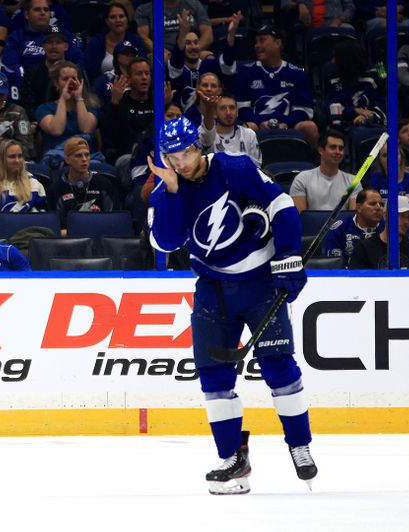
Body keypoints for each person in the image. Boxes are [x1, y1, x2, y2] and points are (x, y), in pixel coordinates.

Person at [148, 116, 316, 495]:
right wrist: (173, 192)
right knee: (214, 377)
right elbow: (166, 243)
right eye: (173, 157)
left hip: (259, 284)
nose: (181, 162)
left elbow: (283, 205)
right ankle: (232, 459)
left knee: (279, 368)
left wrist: (289, 255)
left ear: (200, 147)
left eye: (187, 152)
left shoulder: (234, 166)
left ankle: (299, 445)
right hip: (212, 290)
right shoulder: (164, 193)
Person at [233, 25, 318, 148]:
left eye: (262, 40)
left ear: (277, 43)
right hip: (257, 125)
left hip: (289, 125)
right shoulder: (245, 72)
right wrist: (260, 122)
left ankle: (313, 164)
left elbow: (304, 110)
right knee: (247, 128)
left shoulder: (297, 73)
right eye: (256, 42)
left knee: (310, 127)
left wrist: (286, 123)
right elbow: (242, 109)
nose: (257, 45)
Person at [168, 11, 238, 126]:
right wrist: (182, 33)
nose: (193, 47)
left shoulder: (209, 64)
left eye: (196, 42)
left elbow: (227, 63)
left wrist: (231, 35)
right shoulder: (176, 67)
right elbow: (176, 62)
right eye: (188, 43)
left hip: (212, 119)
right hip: (182, 122)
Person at [48, 137, 120, 232]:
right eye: (78, 156)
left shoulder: (104, 184)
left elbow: (114, 221)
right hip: (68, 242)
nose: (84, 159)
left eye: (87, 155)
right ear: (67, 159)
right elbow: (55, 229)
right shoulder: (56, 189)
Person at [36, 60, 99, 154]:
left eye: (74, 78)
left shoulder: (89, 108)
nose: (71, 82)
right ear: (56, 84)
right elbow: (57, 130)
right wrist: (63, 100)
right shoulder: (44, 108)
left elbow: (86, 129)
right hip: (56, 159)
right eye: (65, 79)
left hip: (85, 159)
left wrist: (79, 98)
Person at [1, 1, 83, 72]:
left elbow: (78, 61)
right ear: (26, 14)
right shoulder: (16, 37)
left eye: (46, 10)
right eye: (37, 9)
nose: (43, 13)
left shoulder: (62, 34)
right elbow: (11, 67)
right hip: (27, 84)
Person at [289, 129, 359, 212]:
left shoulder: (353, 181)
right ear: (321, 150)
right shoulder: (302, 179)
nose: (338, 152)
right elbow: (300, 218)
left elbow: (354, 217)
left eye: (340, 148)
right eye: (333, 147)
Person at [324, 40, 385, 132]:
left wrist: (366, 118)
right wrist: (355, 110)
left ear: (346, 61)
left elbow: (383, 105)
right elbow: (330, 106)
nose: (332, 61)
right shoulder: (333, 76)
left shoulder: (374, 76)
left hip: (372, 124)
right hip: (342, 125)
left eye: (335, 57)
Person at [83, 2, 146, 82]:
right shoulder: (96, 43)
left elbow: (144, 66)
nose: (118, 20)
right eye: (113, 17)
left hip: (134, 87)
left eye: (121, 16)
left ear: (127, 20)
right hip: (103, 89)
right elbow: (89, 71)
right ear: (107, 21)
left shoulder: (135, 40)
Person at [199, 92, 262, 166]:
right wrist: (209, 109)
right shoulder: (207, 135)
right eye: (223, 108)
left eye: (232, 108)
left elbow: (256, 167)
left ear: (237, 112)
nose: (228, 112)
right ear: (215, 113)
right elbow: (207, 132)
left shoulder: (249, 134)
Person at [325, 188, 385, 265]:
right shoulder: (340, 229)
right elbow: (334, 264)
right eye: (372, 204)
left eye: (381, 204)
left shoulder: (387, 228)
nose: (378, 208)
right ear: (359, 207)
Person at [349, 194, 409, 269]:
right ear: (385, 216)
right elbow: (355, 279)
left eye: (408, 217)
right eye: (402, 216)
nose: (406, 222)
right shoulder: (364, 248)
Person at [0, 139, 46, 212]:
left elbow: (42, 213)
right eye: (12, 157)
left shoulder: (33, 183)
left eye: (20, 156)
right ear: (1, 160)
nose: (17, 161)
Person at [134, 0, 213, 55]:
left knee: (208, 57)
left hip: (192, 49)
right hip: (162, 53)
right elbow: (144, 38)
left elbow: (208, 34)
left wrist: (194, 50)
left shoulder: (194, 4)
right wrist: (161, 52)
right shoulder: (144, 10)